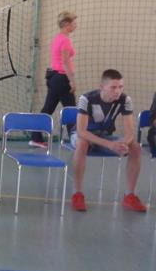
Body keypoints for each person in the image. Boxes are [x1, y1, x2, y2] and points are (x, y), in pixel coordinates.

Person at [70, 69, 146, 212]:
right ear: (102, 87)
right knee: (82, 143)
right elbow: (81, 131)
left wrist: (123, 143)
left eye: (120, 87)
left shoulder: (125, 100)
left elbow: (130, 132)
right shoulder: (86, 99)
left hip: (104, 136)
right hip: (84, 136)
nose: (117, 91)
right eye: (113, 87)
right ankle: (77, 194)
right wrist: (110, 145)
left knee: (135, 147)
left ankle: (129, 195)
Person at [30, 11, 78, 148]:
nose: (75, 25)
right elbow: (65, 62)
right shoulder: (65, 40)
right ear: (67, 24)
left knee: (49, 109)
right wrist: (72, 80)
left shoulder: (58, 38)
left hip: (54, 78)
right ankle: (75, 140)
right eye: (73, 23)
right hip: (61, 79)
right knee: (70, 110)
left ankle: (36, 138)